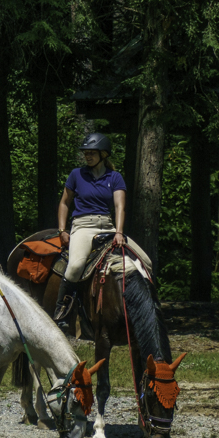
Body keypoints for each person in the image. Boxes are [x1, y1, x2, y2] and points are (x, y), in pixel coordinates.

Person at [54, 132, 126, 327]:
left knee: (144, 261)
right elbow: (64, 203)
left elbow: (120, 206)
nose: (87, 156)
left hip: (108, 227)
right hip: (83, 226)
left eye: (91, 152)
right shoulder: (76, 174)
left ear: (103, 154)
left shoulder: (115, 177)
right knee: (76, 266)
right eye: (85, 153)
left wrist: (119, 232)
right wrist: (63, 230)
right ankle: (61, 311)